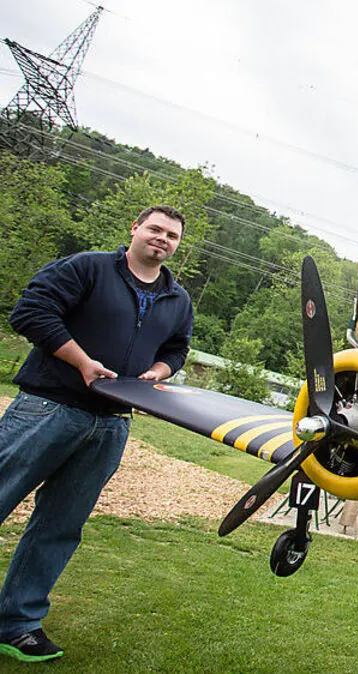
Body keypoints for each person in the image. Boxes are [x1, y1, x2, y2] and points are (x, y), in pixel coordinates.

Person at [0, 205, 193, 663]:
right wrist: (83, 363)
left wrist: (159, 371)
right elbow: (30, 311)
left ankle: (18, 624)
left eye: (172, 235)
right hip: (49, 407)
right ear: (135, 229)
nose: (162, 239)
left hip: (111, 424)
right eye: (155, 229)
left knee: (60, 526)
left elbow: (177, 348)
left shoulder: (177, 298)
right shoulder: (88, 268)